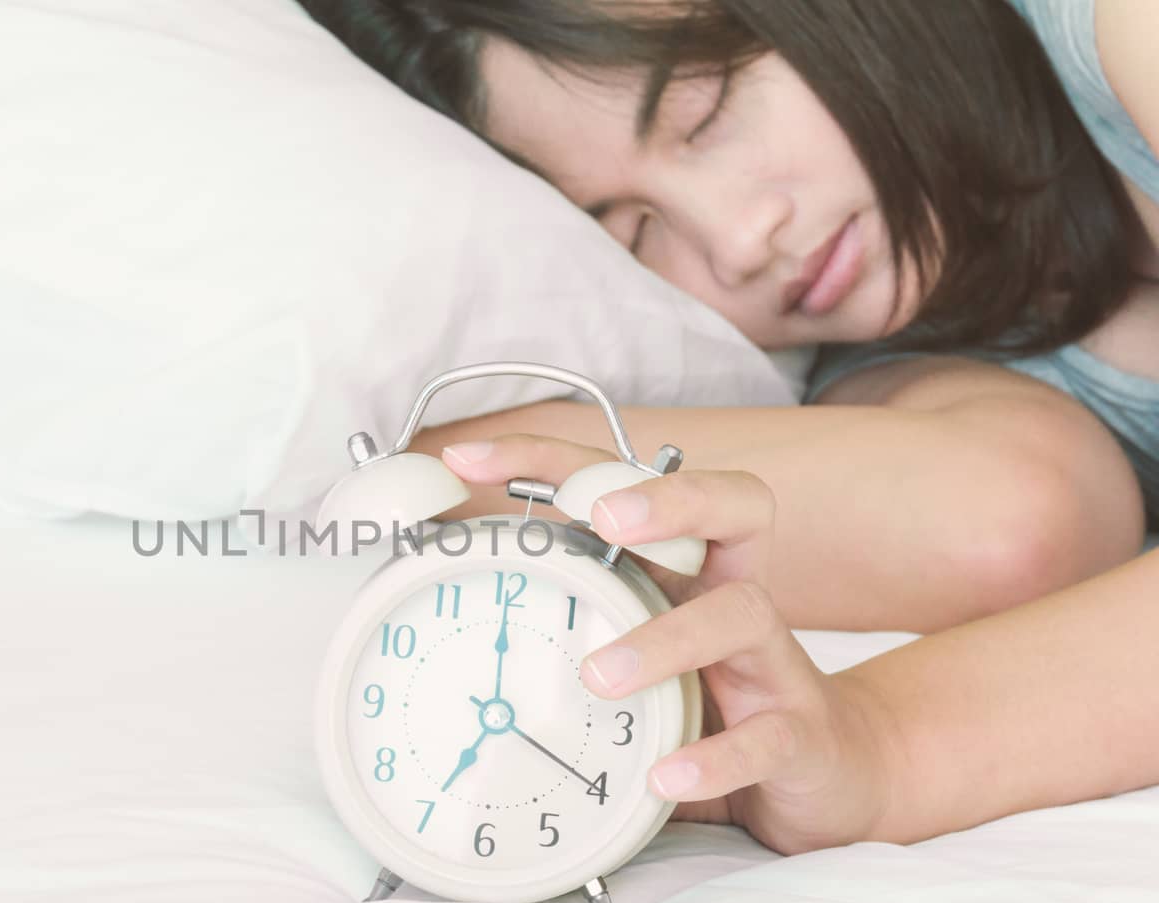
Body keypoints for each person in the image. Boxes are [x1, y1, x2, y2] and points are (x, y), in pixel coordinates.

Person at [297, 0, 1159, 854]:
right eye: (636, 233)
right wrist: (863, 748)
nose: (737, 243)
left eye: (703, 110)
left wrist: (898, 748)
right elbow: (1007, 525)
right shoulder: (911, 371)